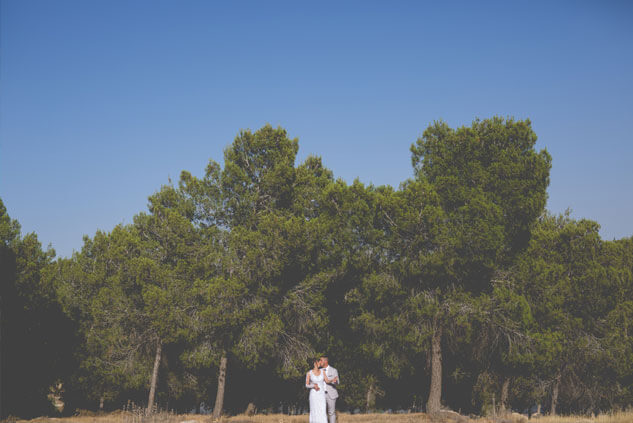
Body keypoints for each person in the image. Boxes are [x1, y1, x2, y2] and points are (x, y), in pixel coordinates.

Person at [305, 357, 327, 423]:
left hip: (321, 394)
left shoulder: (323, 371)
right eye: (318, 362)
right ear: (315, 363)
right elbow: (306, 385)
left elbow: (327, 381)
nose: (320, 363)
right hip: (314, 394)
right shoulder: (309, 373)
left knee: (322, 410)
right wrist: (313, 386)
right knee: (314, 410)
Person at [320, 356, 339, 423]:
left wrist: (333, 381)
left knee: (331, 412)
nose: (320, 362)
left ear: (325, 361)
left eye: (321, 360)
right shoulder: (319, 371)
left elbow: (337, 382)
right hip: (321, 394)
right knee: (321, 412)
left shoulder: (334, 370)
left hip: (331, 394)